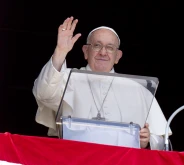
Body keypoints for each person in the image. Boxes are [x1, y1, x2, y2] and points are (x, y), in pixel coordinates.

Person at [33, 16, 172, 150]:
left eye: (110, 47)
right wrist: (60, 51)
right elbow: (43, 94)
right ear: (86, 51)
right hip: (76, 157)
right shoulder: (68, 78)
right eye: (97, 45)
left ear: (117, 56)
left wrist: (147, 141)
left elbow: (163, 143)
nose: (103, 52)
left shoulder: (137, 89)